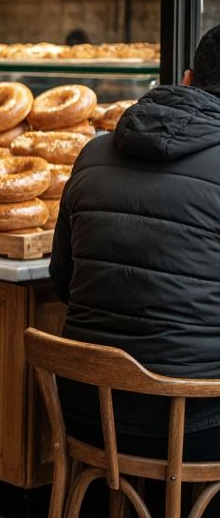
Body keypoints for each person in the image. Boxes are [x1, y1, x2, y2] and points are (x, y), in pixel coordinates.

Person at [50, 23, 220, 459]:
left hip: (86, 406)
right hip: (191, 421)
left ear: (186, 79)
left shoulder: (94, 151)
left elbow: (62, 281)